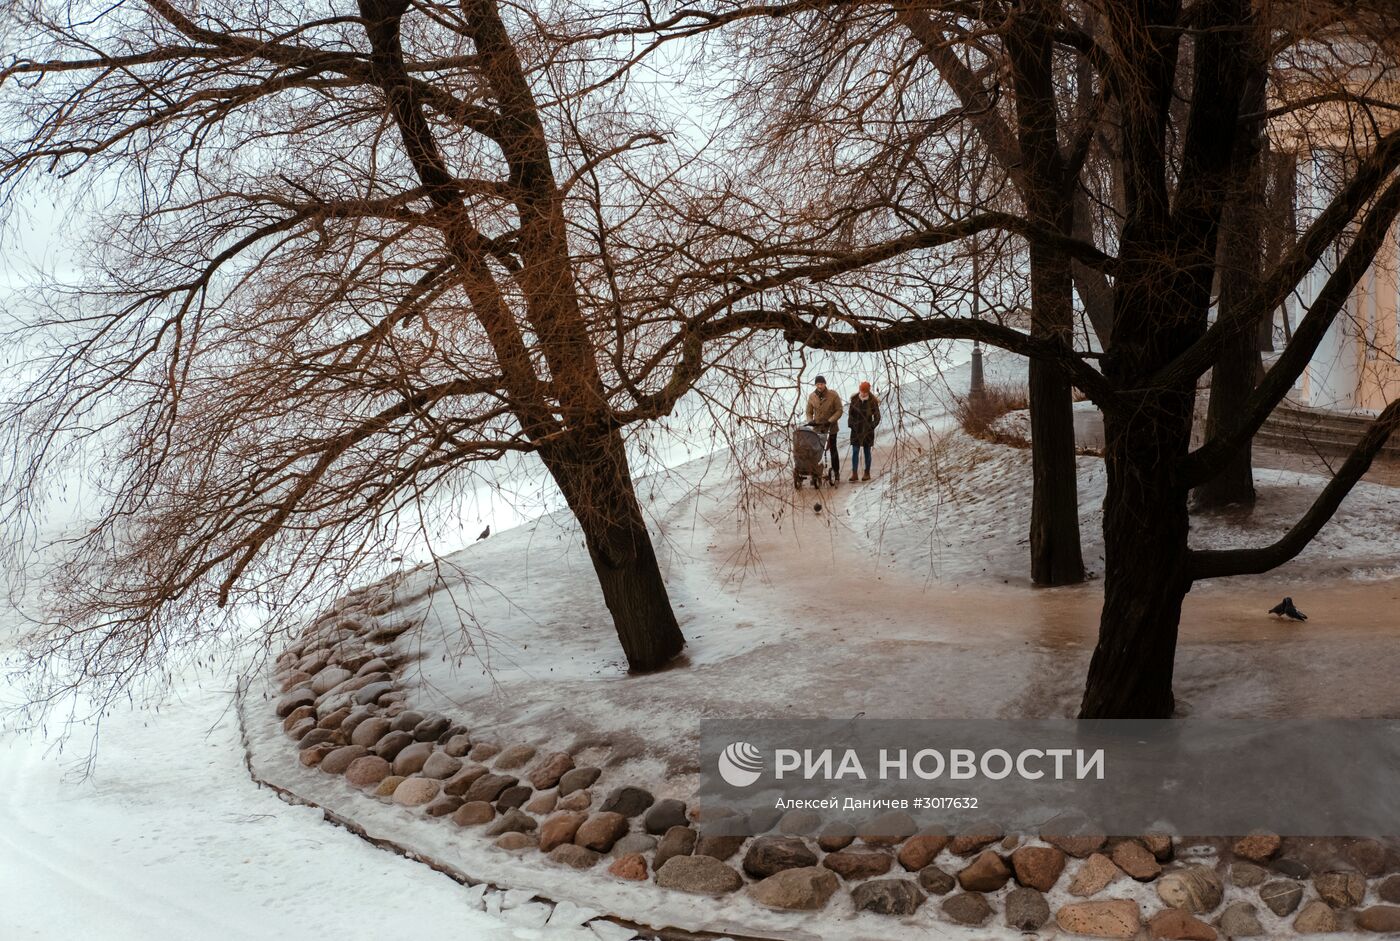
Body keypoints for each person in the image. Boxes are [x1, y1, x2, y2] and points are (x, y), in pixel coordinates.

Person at [805, 375, 843, 481]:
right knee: (817, 451)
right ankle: (817, 474)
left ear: (825, 384)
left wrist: (830, 420)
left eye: (821, 384)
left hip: (831, 428)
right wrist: (810, 421)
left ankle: (836, 472)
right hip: (817, 428)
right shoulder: (812, 396)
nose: (820, 386)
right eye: (818, 384)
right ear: (816, 385)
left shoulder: (833, 395)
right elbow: (808, 411)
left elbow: (839, 410)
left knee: (833, 450)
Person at [848, 381, 881, 481]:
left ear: (868, 391)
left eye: (865, 392)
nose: (863, 394)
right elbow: (850, 415)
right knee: (855, 452)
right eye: (862, 391)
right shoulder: (854, 400)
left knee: (867, 452)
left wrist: (871, 426)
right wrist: (852, 425)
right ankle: (854, 474)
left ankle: (867, 473)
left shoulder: (872, 401)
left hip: (868, 431)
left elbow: (877, 417)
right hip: (855, 430)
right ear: (859, 390)